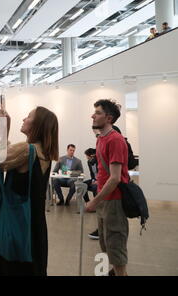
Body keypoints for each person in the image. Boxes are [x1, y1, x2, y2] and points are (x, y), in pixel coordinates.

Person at [0, 106, 59, 276]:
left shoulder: (26, 150)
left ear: (38, 124)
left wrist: (1, 132)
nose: (23, 119)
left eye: (28, 116)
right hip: (35, 225)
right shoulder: (45, 152)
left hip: (16, 228)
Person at [86, 99, 130, 276]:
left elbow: (115, 178)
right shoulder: (101, 139)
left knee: (116, 248)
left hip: (114, 201)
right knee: (105, 243)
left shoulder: (116, 140)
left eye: (97, 112)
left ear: (109, 118)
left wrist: (94, 201)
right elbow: (105, 172)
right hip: (104, 200)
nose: (93, 115)